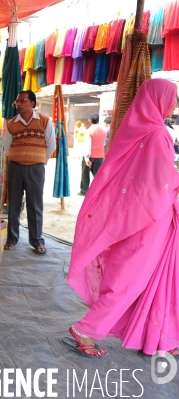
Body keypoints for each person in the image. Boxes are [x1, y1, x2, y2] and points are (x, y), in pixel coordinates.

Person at [64, 79, 179, 358]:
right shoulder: (158, 134)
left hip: (132, 216)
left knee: (140, 278)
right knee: (133, 280)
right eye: (173, 97)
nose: (175, 103)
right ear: (160, 101)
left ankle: (157, 337)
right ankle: (85, 328)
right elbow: (163, 180)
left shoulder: (134, 131)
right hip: (151, 220)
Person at [3, 90, 56, 255]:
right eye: (16, 102)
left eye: (22, 101)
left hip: (36, 169)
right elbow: (6, 147)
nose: (18, 104)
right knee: (14, 205)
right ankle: (11, 239)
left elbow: (51, 146)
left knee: (35, 205)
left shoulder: (45, 122)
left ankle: (37, 241)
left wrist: (39, 160)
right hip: (15, 168)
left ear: (32, 103)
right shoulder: (11, 124)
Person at [78, 113, 107, 196]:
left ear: (89, 121)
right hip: (100, 155)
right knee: (98, 174)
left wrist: (86, 158)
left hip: (90, 155)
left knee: (85, 173)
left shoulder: (88, 131)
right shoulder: (103, 131)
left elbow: (87, 145)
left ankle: (84, 190)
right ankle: (100, 190)